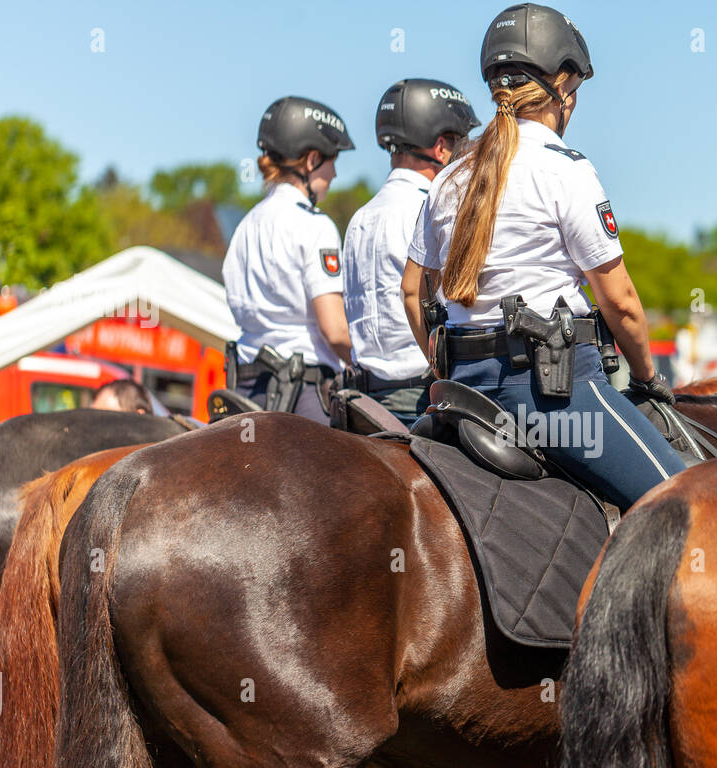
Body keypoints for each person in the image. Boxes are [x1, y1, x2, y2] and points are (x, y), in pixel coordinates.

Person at [402, 2, 686, 510]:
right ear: (561, 85)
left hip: (462, 393)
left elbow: (414, 293)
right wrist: (647, 379)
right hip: (551, 395)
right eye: (574, 89)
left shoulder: (448, 177)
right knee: (688, 504)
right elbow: (619, 302)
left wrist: (445, 364)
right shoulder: (566, 170)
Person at [342, 79, 480, 427]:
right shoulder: (433, 208)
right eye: (459, 145)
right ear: (439, 149)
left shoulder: (360, 218)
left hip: (362, 402)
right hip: (418, 398)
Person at [223, 96, 356, 424]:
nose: (335, 173)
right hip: (303, 396)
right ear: (311, 160)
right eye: (332, 160)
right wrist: (373, 361)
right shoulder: (315, 225)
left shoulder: (245, 225)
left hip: (245, 388)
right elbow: (335, 331)